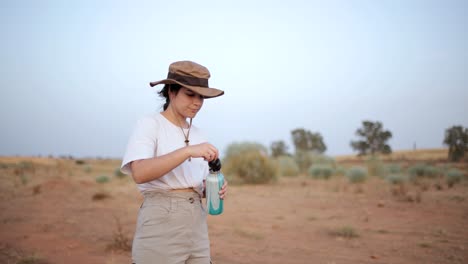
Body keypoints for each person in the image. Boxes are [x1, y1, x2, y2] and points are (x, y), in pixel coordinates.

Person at [120, 60, 228, 264]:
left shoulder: (198, 134)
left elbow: (196, 182)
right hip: (162, 219)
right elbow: (140, 173)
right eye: (190, 94)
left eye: (201, 96)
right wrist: (187, 151)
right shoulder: (150, 124)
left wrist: (211, 188)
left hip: (196, 222)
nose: (197, 102)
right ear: (171, 91)